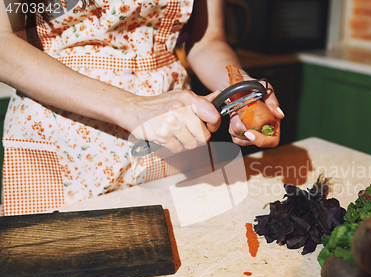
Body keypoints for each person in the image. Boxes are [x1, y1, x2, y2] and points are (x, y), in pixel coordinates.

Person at [0, 0, 284, 216]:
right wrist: (133, 107)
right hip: (63, 134)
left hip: (169, 134)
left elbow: (207, 40)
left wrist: (242, 93)